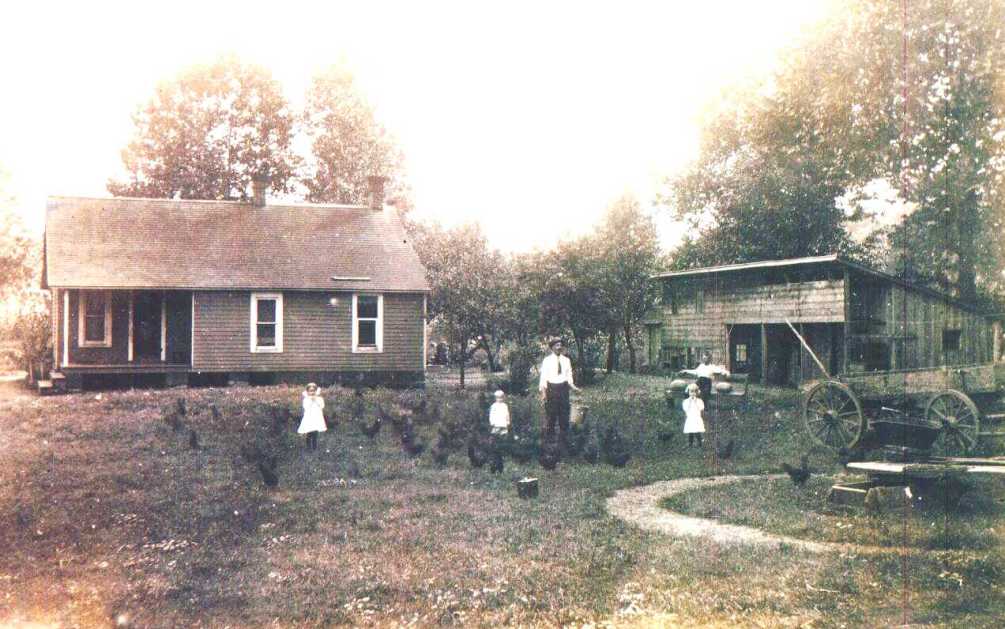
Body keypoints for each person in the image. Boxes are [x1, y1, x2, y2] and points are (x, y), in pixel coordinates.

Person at [538, 338, 580, 455]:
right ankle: (549, 444)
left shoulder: (566, 360)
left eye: (560, 345)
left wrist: (573, 386)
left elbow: (569, 375)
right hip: (551, 389)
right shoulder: (547, 361)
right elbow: (543, 378)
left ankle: (563, 444)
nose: (559, 347)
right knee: (551, 416)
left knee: (564, 416)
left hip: (563, 389)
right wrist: (543, 393)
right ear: (552, 347)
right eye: (556, 345)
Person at [297, 382, 327, 451]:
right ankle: (308, 447)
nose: (312, 392)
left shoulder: (319, 398)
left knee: (315, 433)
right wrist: (311, 400)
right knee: (309, 433)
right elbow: (306, 407)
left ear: (316, 391)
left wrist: (316, 400)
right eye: (310, 391)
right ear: (307, 392)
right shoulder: (306, 399)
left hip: (316, 418)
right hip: (309, 418)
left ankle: (314, 448)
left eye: (314, 391)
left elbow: (322, 406)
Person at [682, 383, 705, 448]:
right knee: (690, 431)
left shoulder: (699, 401)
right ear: (688, 392)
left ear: (697, 393)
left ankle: (699, 443)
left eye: (695, 392)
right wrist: (689, 402)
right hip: (690, 418)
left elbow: (701, 408)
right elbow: (685, 408)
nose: (693, 394)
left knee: (697, 431)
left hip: (696, 418)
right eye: (691, 392)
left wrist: (695, 402)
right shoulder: (686, 401)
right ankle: (690, 443)